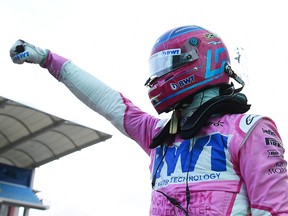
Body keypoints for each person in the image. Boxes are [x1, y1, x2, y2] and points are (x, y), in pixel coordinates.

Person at [9, 25, 288, 215]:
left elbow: (276, 208)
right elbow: (108, 102)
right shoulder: (159, 134)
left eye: (166, 65)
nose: (158, 77)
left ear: (198, 62)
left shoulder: (249, 129)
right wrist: (48, 59)